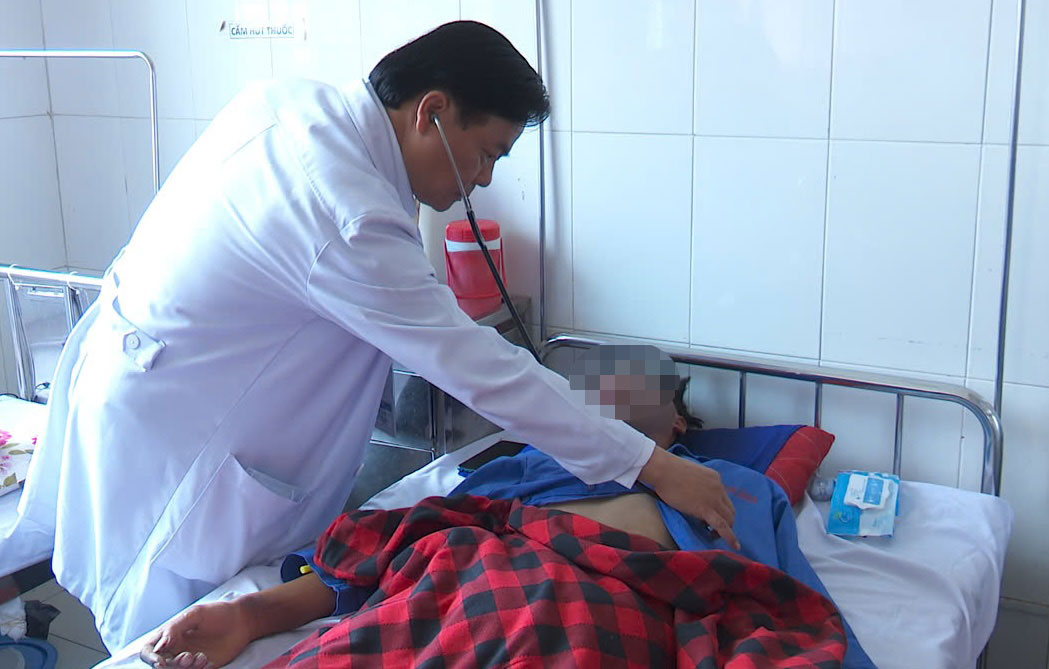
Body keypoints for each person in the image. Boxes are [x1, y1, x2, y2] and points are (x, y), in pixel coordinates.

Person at [9, 21, 737, 650]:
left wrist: (640, 454)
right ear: (432, 112)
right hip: (182, 457)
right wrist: (654, 465)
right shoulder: (340, 207)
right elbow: (476, 365)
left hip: (158, 399)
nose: (483, 179)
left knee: (196, 626)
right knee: (173, 634)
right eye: (487, 151)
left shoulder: (292, 107)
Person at [137, 345, 873, 668]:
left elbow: (786, 604)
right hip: (467, 587)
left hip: (604, 611)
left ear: (676, 423)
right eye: (585, 387)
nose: (604, 395)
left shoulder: (733, 487)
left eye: (633, 387)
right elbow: (392, 560)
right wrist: (252, 614)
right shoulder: (518, 471)